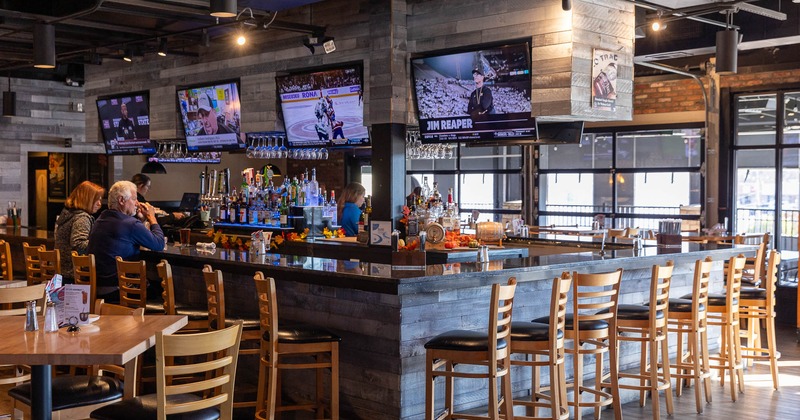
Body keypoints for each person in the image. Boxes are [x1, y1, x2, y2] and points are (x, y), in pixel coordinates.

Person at [87, 180, 165, 302]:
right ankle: (148, 321)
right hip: (119, 289)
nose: (137, 203)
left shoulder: (101, 219)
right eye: (134, 199)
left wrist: (142, 221)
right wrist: (152, 217)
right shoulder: (130, 224)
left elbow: (130, 236)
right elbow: (159, 244)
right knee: (163, 291)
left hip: (98, 288)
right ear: (122, 200)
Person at [54, 181, 105, 282]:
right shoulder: (82, 218)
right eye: (96, 200)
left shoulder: (68, 214)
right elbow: (78, 244)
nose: (100, 204)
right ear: (86, 199)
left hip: (63, 272)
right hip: (75, 274)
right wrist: (100, 242)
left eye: (100, 199)